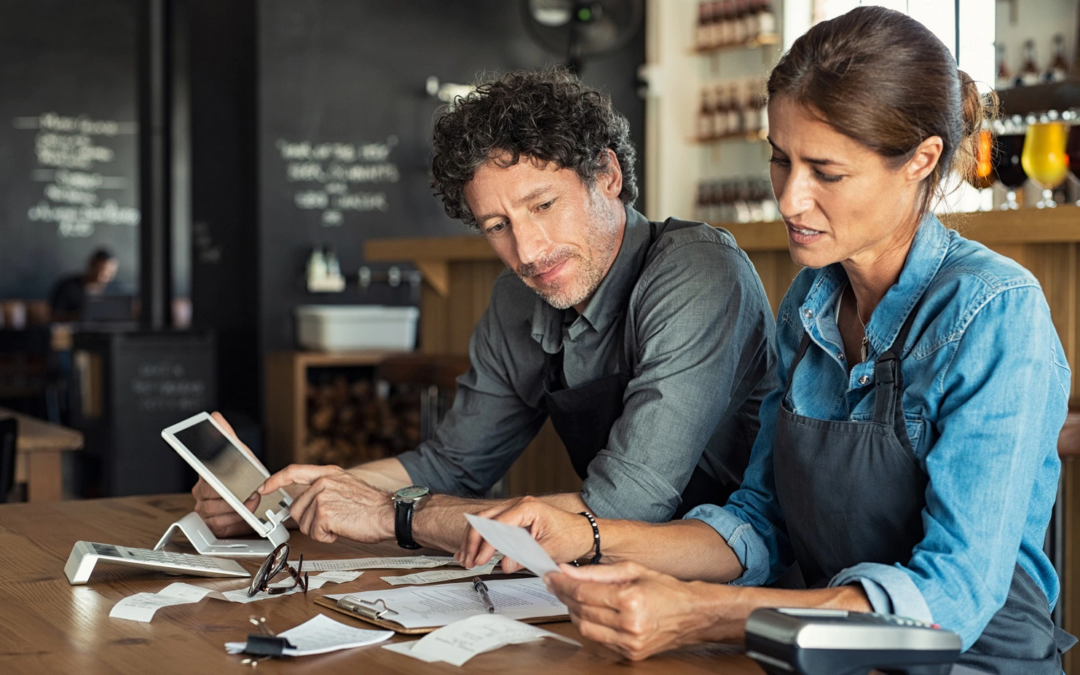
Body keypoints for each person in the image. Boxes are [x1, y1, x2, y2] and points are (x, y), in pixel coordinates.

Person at [457, 8, 1075, 673]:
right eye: (781, 159)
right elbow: (757, 520)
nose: (789, 198)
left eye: (826, 172)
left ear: (920, 160)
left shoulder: (994, 312)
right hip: (811, 650)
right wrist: (583, 534)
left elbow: (953, 596)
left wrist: (702, 611)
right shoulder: (809, 305)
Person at [193, 69, 777, 553]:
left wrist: (393, 516)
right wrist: (288, 496)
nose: (527, 251)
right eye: (497, 226)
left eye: (543, 205)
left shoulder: (697, 272)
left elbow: (622, 508)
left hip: (742, 579)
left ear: (607, 175)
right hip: (617, 581)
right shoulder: (517, 297)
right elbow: (452, 463)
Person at [49, 248, 119, 321]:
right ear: (92, 264)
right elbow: (54, 316)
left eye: (110, 273)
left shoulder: (116, 289)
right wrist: (81, 315)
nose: (105, 276)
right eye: (101, 271)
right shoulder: (67, 287)